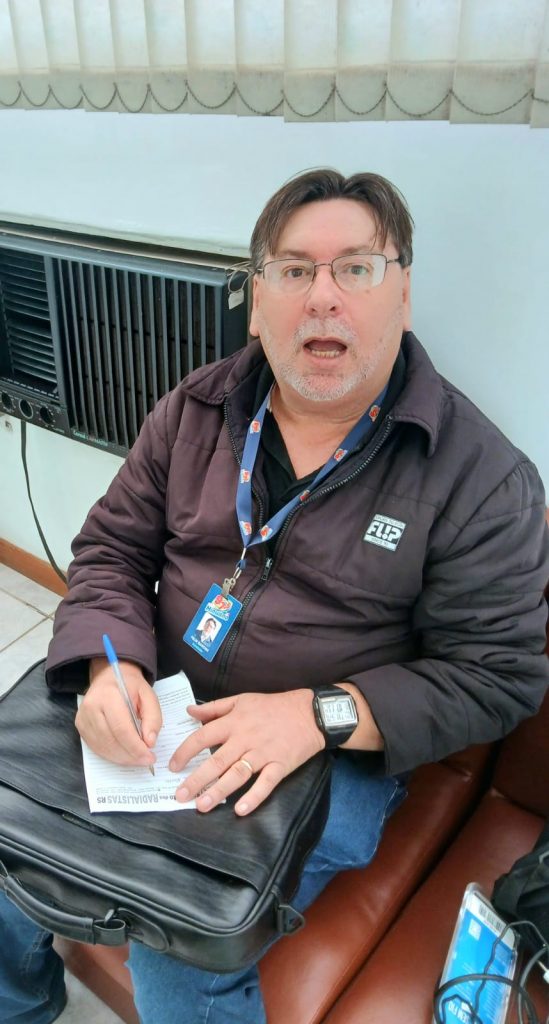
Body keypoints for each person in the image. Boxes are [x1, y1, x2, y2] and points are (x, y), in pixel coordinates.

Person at [1, 169, 548, 1024]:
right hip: (161, 702)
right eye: (293, 270)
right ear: (257, 301)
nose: (322, 297)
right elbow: (111, 549)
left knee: (180, 936)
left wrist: (315, 715)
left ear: (403, 294)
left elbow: (496, 678)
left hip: (326, 750)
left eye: (355, 268)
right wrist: (110, 668)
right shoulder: (193, 409)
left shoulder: (482, 481)